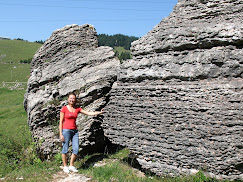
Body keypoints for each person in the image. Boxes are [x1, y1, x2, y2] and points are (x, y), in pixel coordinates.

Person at [59, 92, 103, 173]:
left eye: (73, 98)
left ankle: (71, 165)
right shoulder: (64, 109)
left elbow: (88, 113)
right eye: (70, 98)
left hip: (75, 131)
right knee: (65, 149)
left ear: (75, 100)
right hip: (66, 131)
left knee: (76, 149)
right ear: (68, 99)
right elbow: (61, 122)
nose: (72, 100)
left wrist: (99, 112)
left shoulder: (77, 109)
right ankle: (65, 166)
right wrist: (61, 134)